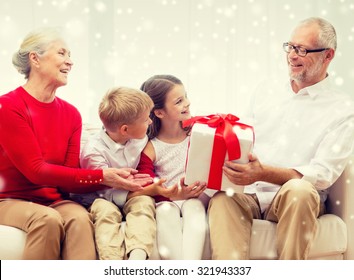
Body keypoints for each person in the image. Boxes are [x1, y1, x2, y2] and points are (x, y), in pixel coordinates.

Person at [208, 17, 354, 260]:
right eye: (290, 47)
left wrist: (263, 172)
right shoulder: (266, 90)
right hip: (251, 194)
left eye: (302, 50)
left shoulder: (343, 110)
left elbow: (322, 174)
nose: (292, 56)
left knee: (300, 190)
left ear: (328, 56)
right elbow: (244, 139)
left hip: (296, 198)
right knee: (224, 198)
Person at [0, 27, 151, 260]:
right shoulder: (9, 107)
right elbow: (36, 171)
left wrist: (120, 180)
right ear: (35, 59)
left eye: (70, 56)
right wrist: (102, 176)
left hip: (54, 200)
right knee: (47, 220)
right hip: (9, 200)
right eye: (62, 54)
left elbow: (71, 177)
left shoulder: (71, 114)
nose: (70, 62)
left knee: (80, 219)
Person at [72, 86, 172, 260]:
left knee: (143, 202)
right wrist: (148, 188)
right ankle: (113, 263)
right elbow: (106, 193)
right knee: (106, 212)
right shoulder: (93, 152)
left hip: (131, 194)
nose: (150, 122)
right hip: (99, 197)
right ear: (125, 130)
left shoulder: (140, 138)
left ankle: (137, 259)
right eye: (145, 119)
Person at [131, 74, 210, 260]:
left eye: (186, 96)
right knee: (165, 212)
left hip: (197, 197)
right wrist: (171, 194)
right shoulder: (151, 148)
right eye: (179, 101)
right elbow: (145, 184)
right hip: (167, 200)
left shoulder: (198, 131)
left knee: (194, 208)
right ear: (159, 112)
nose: (187, 103)